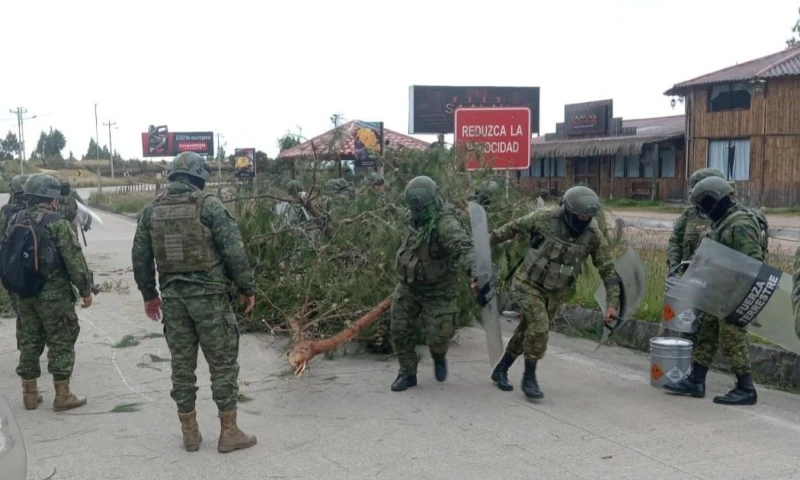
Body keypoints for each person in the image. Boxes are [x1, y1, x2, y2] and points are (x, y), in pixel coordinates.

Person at [131, 152, 258, 453]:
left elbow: (140, 256)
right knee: (223, 366)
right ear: (200, 177)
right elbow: (234, 250)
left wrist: (149, 294)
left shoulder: (151, 211)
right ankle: (229, 432)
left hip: (174, 303)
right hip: (211, 301)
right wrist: (247, 287)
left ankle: (189, 433)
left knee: (182, 367)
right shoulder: (209, 205)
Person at [487, 185, 620, 400]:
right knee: (539, 326)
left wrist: (612, 303)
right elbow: (512, 228)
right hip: (527, 282)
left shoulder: (592, 234)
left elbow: (608, 269)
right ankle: (529, 379)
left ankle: (501, 369)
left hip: (556, 292)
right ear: (568, 211)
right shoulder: (544, 218)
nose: (583, 221)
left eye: (587, 217)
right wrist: (485, 242)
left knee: (528, 331)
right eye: (580, 216)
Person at [664, 176, 765, 405]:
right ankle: (696, 379)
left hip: (736, 294)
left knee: (732, 337)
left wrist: (737, 299)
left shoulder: (740, 224)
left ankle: (746, 388)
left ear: (715, 200)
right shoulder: (723, 222)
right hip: (721, 290)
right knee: (707, 330)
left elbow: (753, 265)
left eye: (705, 205)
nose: (704, 211)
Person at [9, 173, 93, 412]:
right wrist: (85, 291)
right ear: (50, 198)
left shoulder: (16, 219)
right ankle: (62, 395)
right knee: (61, 339)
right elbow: (74, 262)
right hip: (53, 295)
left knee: (29, 340)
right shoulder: (58, 223)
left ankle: (30, 394)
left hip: (24, 292)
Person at [390, 175, 475, 392]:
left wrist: (475, 269)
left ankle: (439, 355)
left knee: (438, 336)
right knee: (400, 329)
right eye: (413, 208)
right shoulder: (411, 217)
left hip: (439, 290)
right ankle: (407, 373)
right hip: (409, 286)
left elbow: (462, 246)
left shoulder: (445, 223)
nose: (415, 212)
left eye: (419, 208)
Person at [1, 174, 28, 345]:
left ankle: (24, 346)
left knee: (20, 311)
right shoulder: (35, 212)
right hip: (30, 268)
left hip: (9, 267)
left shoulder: (5, 211)